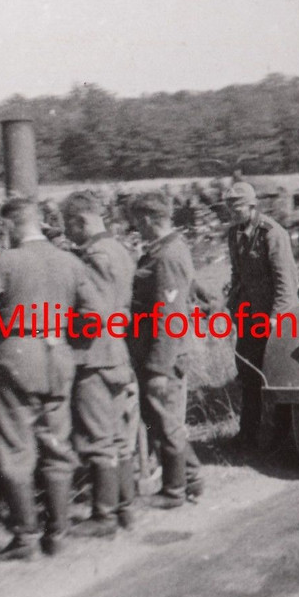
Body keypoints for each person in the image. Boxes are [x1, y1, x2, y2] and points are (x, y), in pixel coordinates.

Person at [0, 197, 103, 560]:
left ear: (9, 226)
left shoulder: (4, 262)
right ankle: (59, 533)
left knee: (16, 450)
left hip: (17, 357)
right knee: (57, 445)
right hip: (58, 356)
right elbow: (95, 314)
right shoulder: (70, 261)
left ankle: (25, 538)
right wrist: (65, 333)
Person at [61, 191, 140, 535]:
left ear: (82, 221)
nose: (67, 233)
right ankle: (125, 509)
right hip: (118, 353)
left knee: (98, 439)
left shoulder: (93, 256)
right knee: (120, 436)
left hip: (94, 355)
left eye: (69, 225)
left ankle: (103, 517)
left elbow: (94, 314)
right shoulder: (120, 249)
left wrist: (64, 326)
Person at [128, 191, 204, 508]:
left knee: (165, 420)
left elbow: (169, 317)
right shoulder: (162, 251)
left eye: (135, 221)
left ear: (148, 219)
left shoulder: (168, 256)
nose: (134, 228)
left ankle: (175, 491)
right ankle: (192, 477)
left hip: (166, 355)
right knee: (160, 418)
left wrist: (159, 368)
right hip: (158, 352)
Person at [224, 182, 299, 447]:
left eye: (237, 207)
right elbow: (238, 274)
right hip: (248, 315)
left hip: (272, 316)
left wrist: (276, 320)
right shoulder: (233, 234)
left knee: (275, 374)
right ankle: (249, 433)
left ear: (252, 206)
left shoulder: (272, 233)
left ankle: (281, 435)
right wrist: (233, 306)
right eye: (229, 207)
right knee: (247, 372)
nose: (232, 212)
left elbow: (285, 281)